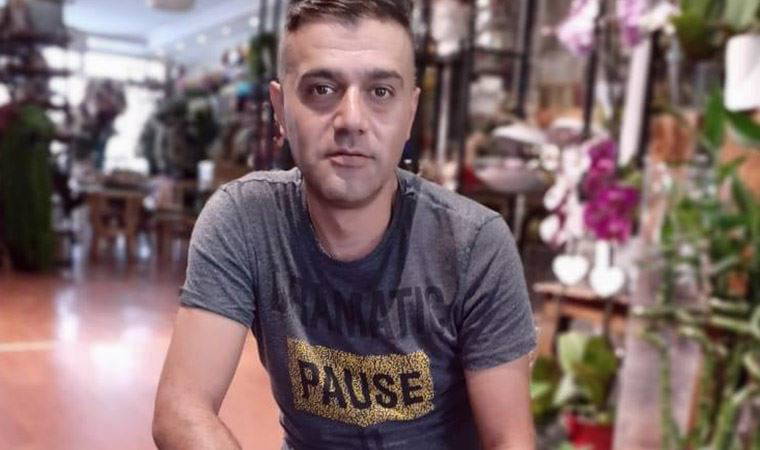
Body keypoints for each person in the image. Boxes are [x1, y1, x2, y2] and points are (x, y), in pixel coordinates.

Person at [152, 1, 537, 448]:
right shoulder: (245, 220)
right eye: (321, 89)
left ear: (410, 113)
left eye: (380, 92)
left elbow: (509, 439)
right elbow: (183, 409)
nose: (352, 120)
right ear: (280, 108)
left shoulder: (473, 243)